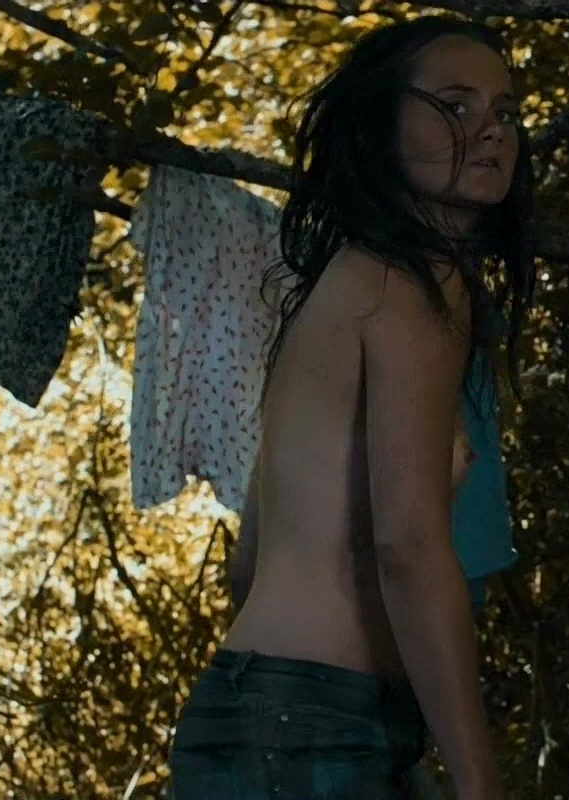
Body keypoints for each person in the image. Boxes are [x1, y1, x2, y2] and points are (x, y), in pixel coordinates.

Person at [168, 15, 535, 800]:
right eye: (454, 105)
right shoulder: (409, 283)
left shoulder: (347, 283)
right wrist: (479, 783)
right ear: (379, 123)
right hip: (308, 728)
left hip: (273, 716)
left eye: (506, 111)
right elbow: (407, 543)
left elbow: (251, 559)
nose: (491, 131)